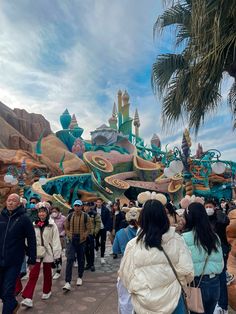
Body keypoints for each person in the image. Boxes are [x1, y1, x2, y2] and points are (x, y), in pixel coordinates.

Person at [119, 198, 194, 314]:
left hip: (143, 304)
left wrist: (140, 289)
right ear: (164, 217)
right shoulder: (177, 240)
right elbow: (188, 271)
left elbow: (125, 276)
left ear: (142, 218)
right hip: (174, 301)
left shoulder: (133, 245)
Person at [183, 202, 224, 314]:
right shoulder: (215, 236)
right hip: (215, 283)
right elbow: (221, 262)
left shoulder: (184, 238)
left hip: (197, 284)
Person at [0, 193, 36, 314]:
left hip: (14, 261)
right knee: (2, 292)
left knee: (8, 291)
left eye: (14, 200)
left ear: (19, 203)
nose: (10, 202)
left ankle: (8, 310)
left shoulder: (24, 219)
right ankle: (13, 304)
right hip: (0, 259)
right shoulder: (1, 216)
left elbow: (31, 239)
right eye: (9, 200)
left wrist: (32, 259)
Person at [21, 202, 61, 308]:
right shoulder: (33, 224)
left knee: (47, 273)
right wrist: (28, 249)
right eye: (40, 212)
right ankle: (28, 297)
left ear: (47, 213)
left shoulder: (52, 225)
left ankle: (47, 291)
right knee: (33, 273)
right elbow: (28, 238)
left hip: (48, 251)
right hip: (37, 251)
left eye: (43, 212)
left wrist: (57, 255)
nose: (41, 214)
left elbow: (56, 240)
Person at [205, 200, 232, 314]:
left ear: (214, 207)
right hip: (211, 252)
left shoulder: (219, 218)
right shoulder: (205, 220)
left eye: (210, 207)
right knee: (217, 276)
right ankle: (219, 303)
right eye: (206, 207)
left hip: (222, 249)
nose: (208, 209)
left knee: (221, 276)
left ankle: (223, 305)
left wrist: (218, 212)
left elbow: (225, 221)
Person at [113, 205, 141, 314]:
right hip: (140, 269)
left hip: (125, 269)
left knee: (125, 299)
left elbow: (116, 250)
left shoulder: (121, 233)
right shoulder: (144, 233)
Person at [63, 200, 91, 291]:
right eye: (75, 206)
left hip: (81, 240)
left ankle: (80, 276)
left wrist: (84, 236)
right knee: (70, 259)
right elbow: (66, 227)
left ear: (81, 206)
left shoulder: (86, 216)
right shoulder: (70, 216)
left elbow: (89, 228)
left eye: (78, 206)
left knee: (81, 258)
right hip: (72, 240)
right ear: (73, 206)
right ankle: (67, 281)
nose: (77, 207)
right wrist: (69, 235)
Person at [83, 202, 101, 272]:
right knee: (86, 250)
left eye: (87, 206)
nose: (85, 207)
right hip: (84, 235)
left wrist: (94, 233)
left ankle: (92, 264)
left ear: (89, 207)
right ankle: (88, 263)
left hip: (91, 235)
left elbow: (98, 224)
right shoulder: (82, 214)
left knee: (91, 250)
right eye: (84, 206)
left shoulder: (94, 214)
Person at [94, 198, 112, 264]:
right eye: (97, 202)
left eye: (100, 202)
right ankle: (95, 250)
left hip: (103, 228)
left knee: (103, 243)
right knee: (95, 241)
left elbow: (108, 220)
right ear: (96, 203)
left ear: (102, 203)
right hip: (96, 229)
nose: (98, 203)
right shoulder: (93, 210)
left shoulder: (106, 210)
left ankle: (102, 257)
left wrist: (107, 229)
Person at [50, 206, 66, 279]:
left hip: (60, 239)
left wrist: (61, 234)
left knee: (58, 255)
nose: (54, 213)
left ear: (58, 211)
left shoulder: (63, 218)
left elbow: (66, 228)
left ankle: (58, 271)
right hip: (50, 239)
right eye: (52, 211)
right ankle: (53, 268)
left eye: (55, 211)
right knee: (51, 255)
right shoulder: (50, 218)